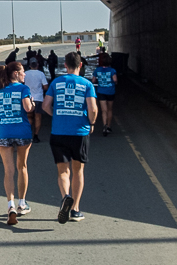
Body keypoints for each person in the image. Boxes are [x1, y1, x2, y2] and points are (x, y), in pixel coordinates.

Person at [42, 52, 98, 223]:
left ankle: (66, 196)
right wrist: (92, 123)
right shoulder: (87, 84)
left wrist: (57, 115)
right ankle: (75, 209)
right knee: (78, 171)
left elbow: (45, 106)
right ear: (81, 66)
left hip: (58, 132)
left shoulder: (56, 83)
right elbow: (93, 109)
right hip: (79, 133)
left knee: (62, 171)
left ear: (65, 65)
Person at [0, 62, 34, 225]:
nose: (25, 74)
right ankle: (22, 203)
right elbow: (28, 109)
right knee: (22, 167)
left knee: (8, 170)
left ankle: (10, 205)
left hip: (4, 131)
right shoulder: (24, 89)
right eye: (23, 72)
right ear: (15, 73)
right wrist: (33, 103)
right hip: (22, 131)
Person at [22, 58, 49, 143]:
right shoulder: (41, 74)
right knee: (38, 117)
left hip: (28, 98)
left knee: (29, 116)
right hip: (38, 98)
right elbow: (45, 87)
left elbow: (21, 84)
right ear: (37, 65)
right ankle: (36, 136)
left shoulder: (25, 74)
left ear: (29, 65)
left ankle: (28, 135)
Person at [92, 54, 118, 136]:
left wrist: (99, 81)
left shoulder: (97, 70)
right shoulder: (112, 70)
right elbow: (115, 80)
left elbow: (93, 80)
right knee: (110, 109)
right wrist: (115, 83)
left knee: (104, 110)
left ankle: (104, 126)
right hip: (110, 91)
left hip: (101, 91)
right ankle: (109, 126)